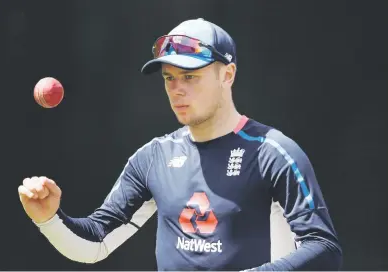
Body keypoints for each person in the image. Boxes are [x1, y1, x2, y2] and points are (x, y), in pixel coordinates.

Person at [18, 18, 343, 271]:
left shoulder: (273, 152)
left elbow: (324, 249)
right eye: (169, 78)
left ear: (227, 75)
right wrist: (49, 217)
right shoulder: (153, 157)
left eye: (190, 77)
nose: (177, 89)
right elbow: (94, 244)